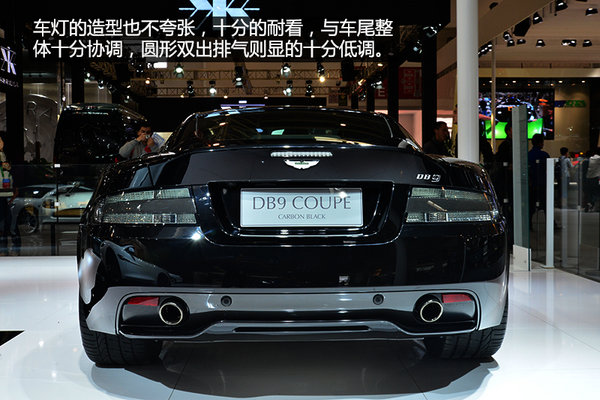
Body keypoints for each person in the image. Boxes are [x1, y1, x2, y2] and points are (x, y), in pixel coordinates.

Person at [0, 132, 21, 256]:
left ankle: (14, 245)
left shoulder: (8, 156)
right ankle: (4, 247)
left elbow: (15, 173)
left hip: (8, 192)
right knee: (3, 222)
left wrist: (15, 190)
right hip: (3, 193)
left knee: (11, 221)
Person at [528, 133, 550, 226]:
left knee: (531, 204)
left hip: (532, 183)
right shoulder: (544, 155)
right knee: (546, 204)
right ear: (540, 143)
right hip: (542, 183)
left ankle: (528, 223)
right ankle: (550, 223)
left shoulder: (528, 155)